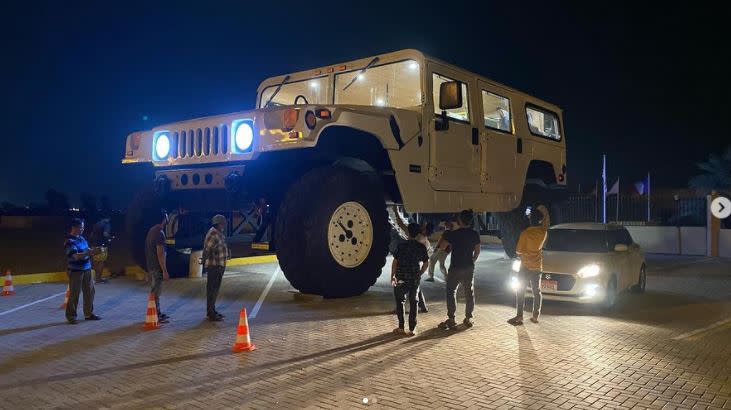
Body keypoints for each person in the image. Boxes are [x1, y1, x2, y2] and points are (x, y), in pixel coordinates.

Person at [437, 210, 481, 330]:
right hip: (468, 267)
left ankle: (451, 318)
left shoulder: (453, 234)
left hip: (455, 267)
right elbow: (477, 251)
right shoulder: (474, 234)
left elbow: (441, 246)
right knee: (469, 293)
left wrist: (446, 232)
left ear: (459, 220)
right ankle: (468, 318)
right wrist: (472, 260)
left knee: (451, 292)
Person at [508, 205, 549, 326]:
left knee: (521, 291)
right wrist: (543, 211)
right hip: (537, 266)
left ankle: (519, 316)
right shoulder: (543, 232)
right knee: (537, 292)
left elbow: (518, 251)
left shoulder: (525, 233)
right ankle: (535, 316)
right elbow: (545, 222)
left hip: (525, 266)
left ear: (530, 220)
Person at [391, 223, 429, 336]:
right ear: (418, 233)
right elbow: (426, 263)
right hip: (414, 279)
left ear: (408, 232)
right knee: (414, 302)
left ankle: (401, 327)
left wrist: (393, 275)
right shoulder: (421, 247)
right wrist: (420, 273)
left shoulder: (401, 246)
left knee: (400, 301)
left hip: (401, 277)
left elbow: (395, 262)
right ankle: (412, 329)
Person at [391, 205, 431, 312]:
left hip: (406, 269)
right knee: (415, 287)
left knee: (404, 290)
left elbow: (401, 224)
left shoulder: (418, 240)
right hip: (414, 270)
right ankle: (422, 306)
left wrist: (395, 211)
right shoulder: (422, 239)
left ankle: (402, 309)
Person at [64, 218, 101, 324]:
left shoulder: (82, 239)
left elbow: (87, 250)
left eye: (83, 227)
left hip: (87, 269)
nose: (82, 230)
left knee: (90, 292)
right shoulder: (69, 241)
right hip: (76, 271)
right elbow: (75, 256)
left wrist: (94, 251)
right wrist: (88, 253)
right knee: (74, 294)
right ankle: (71, 316)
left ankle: (88, 314)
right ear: (74, 228)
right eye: (81, 228)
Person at [203, 214, 230, 321]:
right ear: (218, 224)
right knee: (212, 289)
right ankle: (210, 313)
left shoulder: (218, 233)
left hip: (219, 265)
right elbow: (207, 249)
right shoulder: (213, 233)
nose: (225, 224)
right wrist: (206, 262)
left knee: (215, 289)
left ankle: (212, 310)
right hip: (214, 266)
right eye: (223, 223)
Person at [145, 210, 170, 323]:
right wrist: (164, 270)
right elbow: (160, 253)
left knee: (155, 290)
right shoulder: (160, 233)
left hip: (151, 265)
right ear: (164, 218)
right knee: (156, 292)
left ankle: (157, 312)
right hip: (156, 266)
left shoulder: (151, 230)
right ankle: (156, 315)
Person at [89, 217, 113, 283]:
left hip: (94, 245)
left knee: (96, 261)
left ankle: (95, 278)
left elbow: (92, 234)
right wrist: (109, 238)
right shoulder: (106, 224)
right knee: (101, 262)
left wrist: (92, 243)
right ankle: (98, 278)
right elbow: (105, 234)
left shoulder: (97, 224)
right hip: (102, 246)